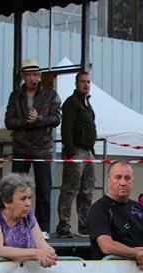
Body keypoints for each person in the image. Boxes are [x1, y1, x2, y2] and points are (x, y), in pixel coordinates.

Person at [4, 59, 61, 235]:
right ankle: (14, 225)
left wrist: (39, 120)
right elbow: (8, 122)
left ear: (40, 76)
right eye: (29, 75)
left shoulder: (50, 95)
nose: (32, 78)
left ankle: (42, 229)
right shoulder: (15, 95)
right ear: (23, 77)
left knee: (44, 189)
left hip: (42, 148)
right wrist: (26, 122)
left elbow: (56, 119)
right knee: (16, 189)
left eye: (35, 74)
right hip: (21, 147)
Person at [0, 174, 57, 267]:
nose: (28, 204)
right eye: (23, 199)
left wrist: (49, 252)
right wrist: (36, 253)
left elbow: (41, 244)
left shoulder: (29, 216)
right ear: (6, 201)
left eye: (29, 198)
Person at [56, 71, 96, 238]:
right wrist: (71, 151)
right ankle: (64, 225)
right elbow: (66, 128)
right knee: (70, 189)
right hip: (76, 151)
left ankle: (84, 225)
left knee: (87, 190)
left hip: (88, 151)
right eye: (83, 82)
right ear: (76, 83)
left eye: (88, 82)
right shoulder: (71, 103)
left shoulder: (86, 103)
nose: (86, 85)